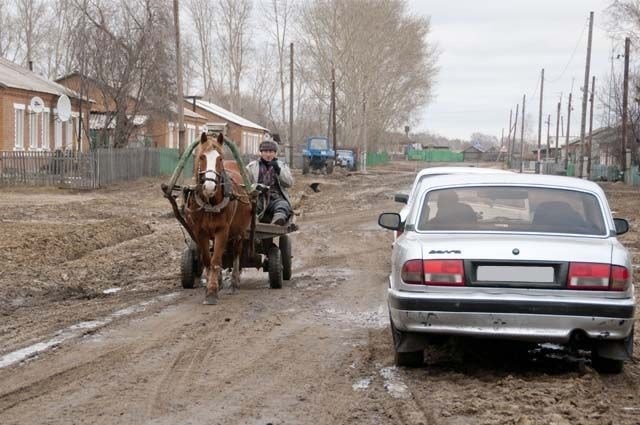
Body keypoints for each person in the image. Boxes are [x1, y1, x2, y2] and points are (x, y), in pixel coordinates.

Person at [246, 136, 294, 225]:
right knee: (249, 207)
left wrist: (278, 170)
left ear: (275, 153)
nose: (268, 155)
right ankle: (254, 222)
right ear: (261, 153)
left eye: (271, 152)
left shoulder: (282, 166)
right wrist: (256, 188)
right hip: (257, 198)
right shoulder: (251, 167)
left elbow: (289, 183)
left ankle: (277, 220)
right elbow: (245, 184)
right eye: (265, 152)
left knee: (283, 205)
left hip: (276, 198)